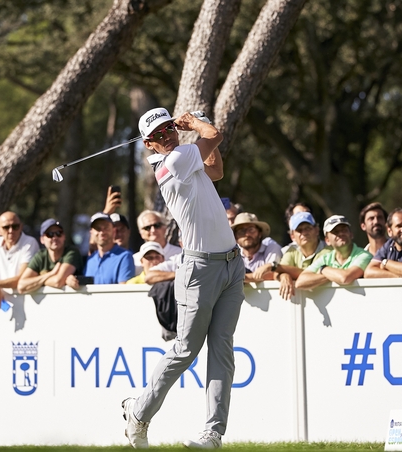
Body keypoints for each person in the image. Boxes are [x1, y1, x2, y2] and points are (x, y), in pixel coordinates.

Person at [122, 107, 244, 449]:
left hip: (232, 264)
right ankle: (139, 413)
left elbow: (216, 169)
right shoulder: (172, 162)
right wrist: (194, 123)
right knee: (186, 349)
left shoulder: (187, 158)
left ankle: (212, 434)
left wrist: (195, 130)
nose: (167, 135)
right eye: (159, 135)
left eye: (169, 129)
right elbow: (214, 134)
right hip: (200, 269)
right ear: (149, 144)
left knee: (222, 348)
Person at [295, 215, 372, 289]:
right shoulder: (326, 258)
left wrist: (323, 269)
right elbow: (300, 282)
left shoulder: (364, 255)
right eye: (335, 232)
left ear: (351, 234)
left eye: (344, 230)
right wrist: (332, 276)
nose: (341, 233)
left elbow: (345, 278)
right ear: (327, 240)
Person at [274, 211, 330, 300]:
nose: (304, 233)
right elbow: (276, 273)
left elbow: (311, 276)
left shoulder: (329, 251)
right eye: (299, 230)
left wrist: (286, 271)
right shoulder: (291, 251)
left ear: (317, 230)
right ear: (292, 236)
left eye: (308, 228)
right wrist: (284, 275)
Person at [17, 219, 83, 293]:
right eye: (50, 234)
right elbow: (21, 286)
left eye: (59, 233)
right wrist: (50, 274)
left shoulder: (71, 252)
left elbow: (58, 282)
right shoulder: (40, 256)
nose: (55, 238)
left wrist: (36, 282)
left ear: (64, 236)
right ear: (42, 239)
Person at [82, 213, 134, 285]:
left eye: (106, 227)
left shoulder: (125, 256)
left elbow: (124, 292)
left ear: (113, 231)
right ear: (91, 233)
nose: (102, 232)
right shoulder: (89, 260)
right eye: (98, 228)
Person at [231, 212, 282, 283]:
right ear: (235, 237)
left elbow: (273, 274)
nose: (247, 234)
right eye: (241, 231)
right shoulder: (232, 254)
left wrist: (240, 277)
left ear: (260, 233)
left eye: (251, 229)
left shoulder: (271, 248)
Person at [133, 210, 182, 275]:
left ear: (165, 228)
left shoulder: (180, 254)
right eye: (147, 228)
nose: (153, 230)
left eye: (157, 225)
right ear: (141, 233)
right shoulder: (134, 260)